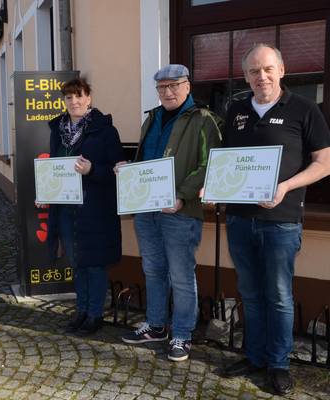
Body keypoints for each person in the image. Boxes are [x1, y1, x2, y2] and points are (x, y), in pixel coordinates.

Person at [222, 44, 330, 395]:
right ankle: (255, 357)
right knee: (250, 293)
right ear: (246, 76)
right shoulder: (236, 110)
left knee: (280, 295)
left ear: (282, 70)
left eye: (267, 69)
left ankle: (279, 364)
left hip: (281, 221)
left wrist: (285, 187)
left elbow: (324, 163)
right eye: (254, 71)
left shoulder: (304, 109)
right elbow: (227, 161)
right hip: (239, 219)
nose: (261, 76)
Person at [119, 64, 221, 361]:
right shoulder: (152, 118)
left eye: (174, 85)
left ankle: (182, 334)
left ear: (188, 86)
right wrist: (129, 171)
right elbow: (149, 162)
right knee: (153, 270)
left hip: (181, 210)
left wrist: (182, 195)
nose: (167, 92)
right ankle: (155, 325)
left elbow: (211, 163)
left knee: (180, 275)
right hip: (147, 208)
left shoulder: (203, 119)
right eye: (162, 87)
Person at [44, 78, 124, 336]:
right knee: (77, 262)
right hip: (67, 209)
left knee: (95, 263)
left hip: (95, 208)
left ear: (89, 98)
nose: (74, 102)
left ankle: (95, 314)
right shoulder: (57, 130)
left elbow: (117, 172)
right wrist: (47, 191)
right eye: (69, 97)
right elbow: (54, 169)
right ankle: (81, 310)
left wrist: (92, 170)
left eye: (79, 96)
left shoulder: (105, 131)